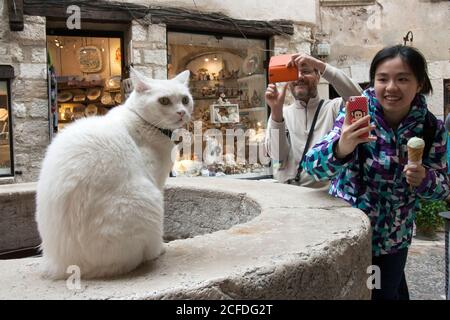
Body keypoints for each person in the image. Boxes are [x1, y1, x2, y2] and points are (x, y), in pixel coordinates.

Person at [303, 45, 450, 300]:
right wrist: (342, 147)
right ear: (374, 81)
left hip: (394, 239)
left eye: (402, 79)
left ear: (420, 83)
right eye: (383, 79)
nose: (391, 87)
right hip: (349, 233)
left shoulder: (430, 127)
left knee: (381, 292)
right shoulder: (356, 115)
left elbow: (444, 188)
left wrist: (424, 179)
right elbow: (312, 167)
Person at [264, 53, 362, 187]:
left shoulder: (333, 108)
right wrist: (276, 112)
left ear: (318, 76)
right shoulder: (282, 114)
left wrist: (321, 65)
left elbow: (360, 99)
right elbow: (277, 155)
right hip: (287, 198)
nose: (299, 77)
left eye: (305, 71)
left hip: (325, 198)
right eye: (294, 73)